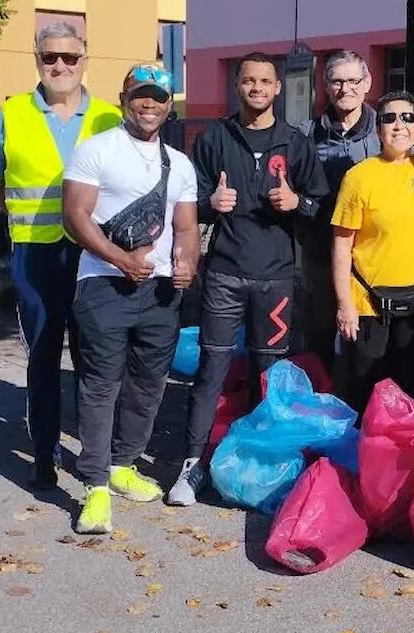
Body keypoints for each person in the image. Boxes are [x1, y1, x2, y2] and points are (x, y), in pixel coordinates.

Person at [167, 52, 329, 506]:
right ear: (237, 86)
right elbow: (188, 200)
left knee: (269, 376)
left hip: (275, 279)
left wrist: (298, 204)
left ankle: (267, 468)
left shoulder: (294, 144)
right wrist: (208, 204)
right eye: (248, 81)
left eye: (264, 81)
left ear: (279, 88)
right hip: (223, 275)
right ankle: (192, 466)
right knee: (210, 371)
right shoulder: (215, 138)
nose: (256, 88)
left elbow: (322, 207)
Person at [0, 21, 122, 490]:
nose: (60, 65)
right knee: (42, 356)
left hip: (92, 256)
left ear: (86, 58)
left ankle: (96, 454)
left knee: (93, 357)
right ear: (36, 59)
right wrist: (16, 212)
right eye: (49, 57)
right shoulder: (12, 113)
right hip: (36, 257)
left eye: (70, 57)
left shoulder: (108, 117)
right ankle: (44, 451)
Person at [61, 64, 199, 533]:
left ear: (168, 104)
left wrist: (186, 262)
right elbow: (74, 217)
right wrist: (119, 258)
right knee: (101, 385)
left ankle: (123, 464)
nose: (149, 104)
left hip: (160, 291)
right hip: (102, 284)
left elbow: (185, 227)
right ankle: (95, 486)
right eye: (141, 94)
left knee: (148, 383)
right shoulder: (97, 150)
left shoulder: (179, 163)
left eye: (158, 96)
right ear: (124, 98)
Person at [331, 91, 414, 411]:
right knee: (366, 397)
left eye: (407, 118)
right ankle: (363, 458)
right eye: (388, 118)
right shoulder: (359, 176)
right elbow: (340, 246)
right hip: (367, 303)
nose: (399, 125)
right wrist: (344, 305)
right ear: (377, 129)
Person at [297, 50, 381, 368]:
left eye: (353, 80)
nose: (345, 89)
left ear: (367, 83)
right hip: (320, 255)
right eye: (337, 81)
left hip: (372, 260)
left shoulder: (386, 133)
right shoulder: (305, 135)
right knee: (319, 339)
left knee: (366, 346)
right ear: (326, 86)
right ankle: (320, 411)